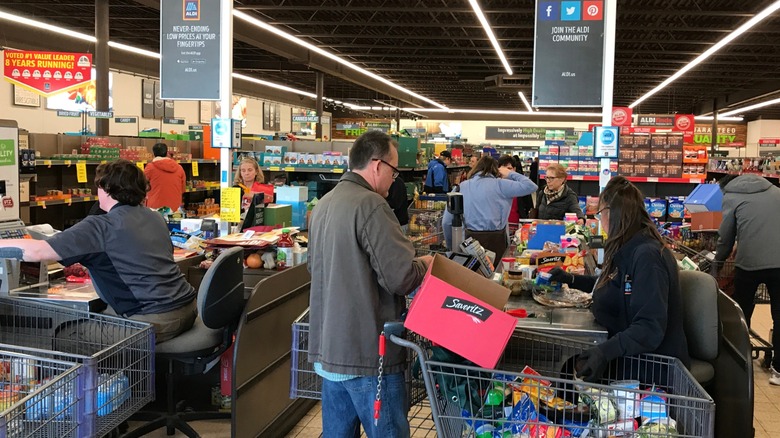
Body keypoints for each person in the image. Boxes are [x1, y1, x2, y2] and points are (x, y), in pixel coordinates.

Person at [308, 130, 432, 437]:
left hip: (329, 351)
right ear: (377, 165)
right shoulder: (372, 206)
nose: (394, 179)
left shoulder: (323, 204)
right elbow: (401, 277)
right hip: (368, 356)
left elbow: (315, 267)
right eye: (393, 170)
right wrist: (427, 264)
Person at [0, 160, 197, 344]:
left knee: (64, 335)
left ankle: (111, 380)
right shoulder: (154, 217)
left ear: (107, 189)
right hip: (187, 310)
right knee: (103, 314)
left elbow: (37, 252)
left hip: (154, 321)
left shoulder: (101, 225)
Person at [550, 176, 689, 383]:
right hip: (628, 357)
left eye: (599, 214)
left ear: (612, 214)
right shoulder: (629, 247)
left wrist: (605, 352)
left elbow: (649, 327)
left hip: (650, 373)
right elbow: (611, 284)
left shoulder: (647, 257)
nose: (600, 221)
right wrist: (570, 279)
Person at [713, 173, 780, 384]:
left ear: (724, 188)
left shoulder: (731, 195)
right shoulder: (776, 192)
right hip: (779, 264)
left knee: (741, 314)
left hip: (748, 264)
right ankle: (778, 370)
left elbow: (726, 236)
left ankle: (739, 362)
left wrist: (717, 263)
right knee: (779, 315)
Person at [442, 156, 537, 265]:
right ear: (496, 170)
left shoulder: (460, 188)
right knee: (496, 276)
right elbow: (531, 186)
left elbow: (446, 222)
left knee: (470, 276)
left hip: (468, 243)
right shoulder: (502, 185)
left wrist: (451, 247)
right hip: (497, 242)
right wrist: (510, 173)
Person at [144, 143, 186, 210]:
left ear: (153, 154)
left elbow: (142, 186)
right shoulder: (179, 168)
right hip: (175, 208)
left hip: (155, 208)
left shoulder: (150, 168)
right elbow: (183, 189)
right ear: (167, 153)